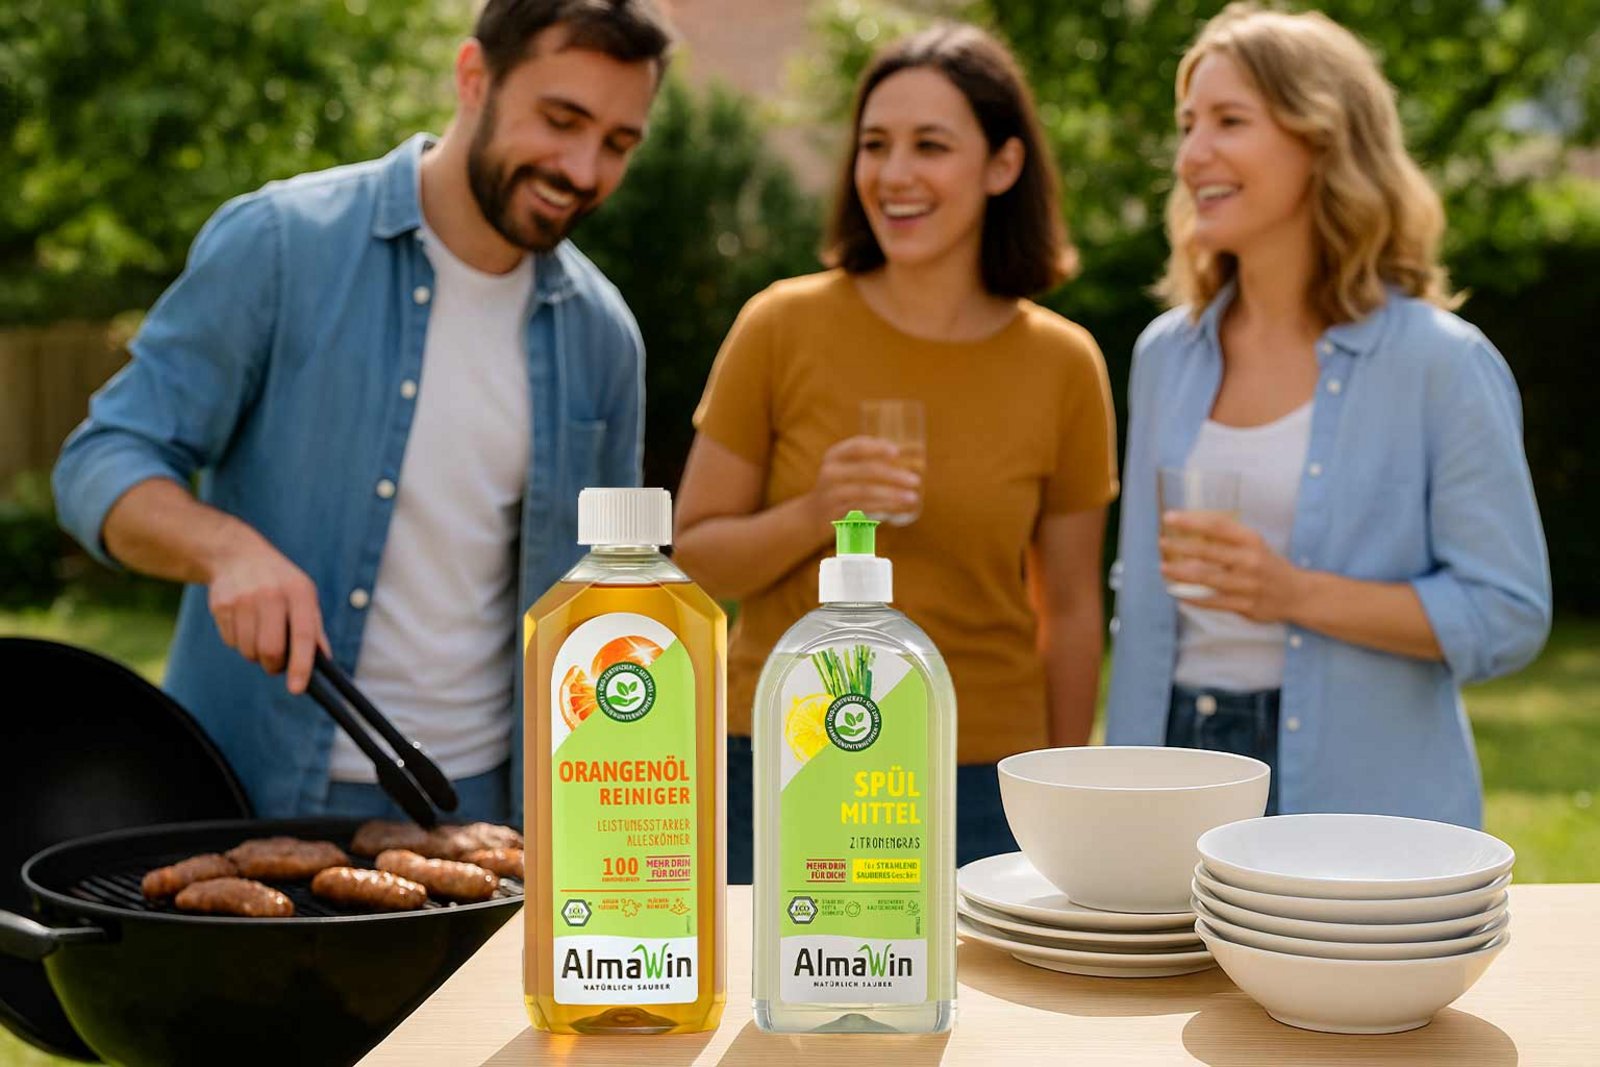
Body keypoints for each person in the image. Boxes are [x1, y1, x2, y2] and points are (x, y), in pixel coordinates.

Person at [52, 0, 675, 825]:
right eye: (561, 120)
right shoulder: (279, 245)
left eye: (618, 144)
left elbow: (606, 600)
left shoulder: (604, 336)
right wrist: (226, 550)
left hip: (493, 807)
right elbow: (102, 459)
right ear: (472, 78)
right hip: (256, 790)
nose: (585, 169)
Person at [674, 24, 1119, 880]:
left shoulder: (1063, 365)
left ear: (1002, 166)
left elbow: (1068, 609)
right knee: (781, 1010)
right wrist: (813, 510)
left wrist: (1065, 788)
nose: (894, 174)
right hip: (782, 752)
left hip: (983, 776)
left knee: (978, 1018)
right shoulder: (779, 326)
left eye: (931, 145)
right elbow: (696, 557)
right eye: (875, 145)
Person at [1105, 4, 1551, 825]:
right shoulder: (1167, 353)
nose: (1193, 152)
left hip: (1361, 796)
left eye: (1230, 120)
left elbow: (1507, 613)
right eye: (1188, 123)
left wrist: (1292, 593)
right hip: (1168, 763)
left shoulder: (1440, 362)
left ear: (1323, 140)